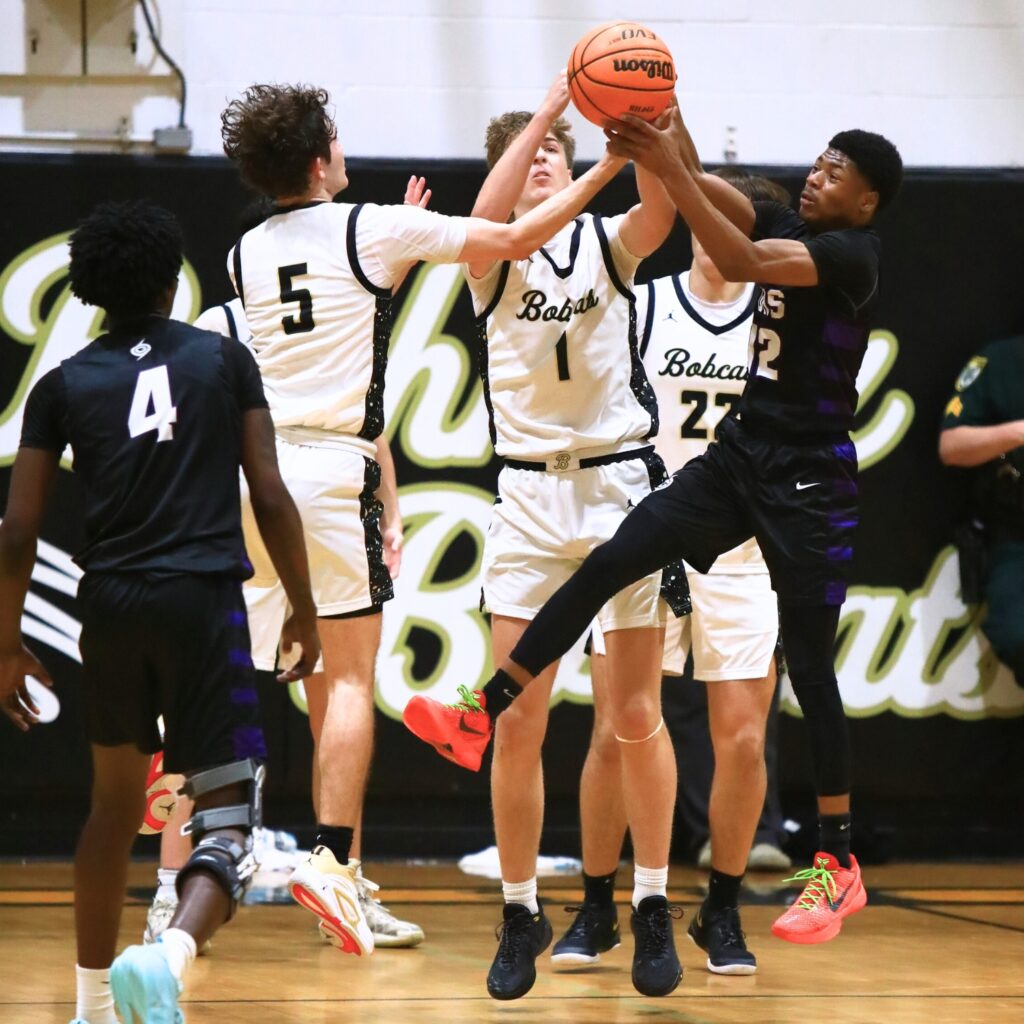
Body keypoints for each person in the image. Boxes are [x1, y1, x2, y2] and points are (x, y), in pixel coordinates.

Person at [406, 102, 903, 948]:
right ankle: (482, 709)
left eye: (836, 176)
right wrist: (660, 134)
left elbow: (740, 254)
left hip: (810, 478)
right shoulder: (780, 219)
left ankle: (837, 861)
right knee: (609, 560)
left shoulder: (847, 256)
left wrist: (653, 161)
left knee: (811, 669)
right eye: (816, 164)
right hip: (739, 457)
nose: (817, 178)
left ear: (865, 204)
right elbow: (704, 192)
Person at [218, 81, 628, 956]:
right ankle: (330, 862)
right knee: (353, 681)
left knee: (289, 676)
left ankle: (256, 867)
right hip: (335, 468)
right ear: (322, 155)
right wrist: (609, 165)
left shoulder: (244, 252)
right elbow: (514, 236)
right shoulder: (369, 224)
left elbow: (332, 309)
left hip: (257, 475)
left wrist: (396, 255)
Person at [0, 199, 320, 1024]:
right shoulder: (222, 359)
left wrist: (6, 647)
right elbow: (272, 495)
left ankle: (89, 1006)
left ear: (92, 292)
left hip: (109, 608)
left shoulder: (63, 384)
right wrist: (305, 610)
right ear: (172, 281)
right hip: (204, 605)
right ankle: (169, 956)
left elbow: (17, 533)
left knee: (111, 811)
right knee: (228, 820)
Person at [404, 72, 687, 1000]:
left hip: (617, 485)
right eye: (530, 160)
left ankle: (650, 903)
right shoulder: (493, 259)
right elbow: (491, 208)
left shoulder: (610, 244)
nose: (541, 168)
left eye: (552, 156)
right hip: (528, 501)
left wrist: (649, 126)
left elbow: (659, 205)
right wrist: (548, 116)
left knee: (635, 717)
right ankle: (519, 911)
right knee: (516, 719)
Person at [140, 253, 426, 950]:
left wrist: (389, 506)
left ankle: (340, 887)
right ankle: (171, 890)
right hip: (238, 517)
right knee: (199, 702)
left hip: (312, 503)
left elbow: (369, 423)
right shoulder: (219, 325)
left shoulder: (330, 318)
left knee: (340, 693)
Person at [561, 169, 792, 976]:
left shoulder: (779, 319)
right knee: (614, 731)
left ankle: (721, 910)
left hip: (742, 550)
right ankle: (598, 906)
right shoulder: (646, 302)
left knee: (744, 738)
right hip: (651, 533)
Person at [939, 335, 1024, 684]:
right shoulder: (1001, 361)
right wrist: (1019, 432)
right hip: (1015, 534)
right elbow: (951, 445)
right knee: (1014, 628)